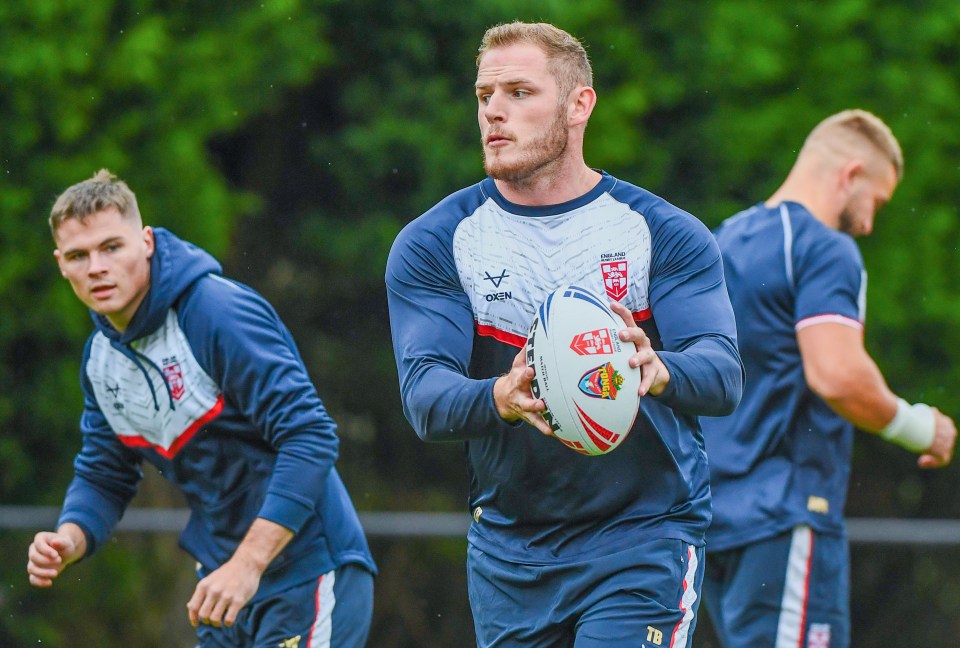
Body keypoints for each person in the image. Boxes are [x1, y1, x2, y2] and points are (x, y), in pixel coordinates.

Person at [385, 21, 743, 647]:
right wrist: (499, 395)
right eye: (483, 96)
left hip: (644, 537)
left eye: (520, 92)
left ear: (580, 105)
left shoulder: (661, 232)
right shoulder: (437, 243)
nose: (493, 111)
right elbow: (424, 396)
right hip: (509, 552)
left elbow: (721, 374)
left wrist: (660, 369)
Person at [26, 170, 377, 647]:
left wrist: (248, 564)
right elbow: (105, 472)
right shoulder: (100, 359)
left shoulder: (213, 312)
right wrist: (69, 537)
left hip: (308, 570)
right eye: (78, 256)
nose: (96, 268)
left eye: (112, 247)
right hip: (221, 584)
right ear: (60, 264)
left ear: (146, 242)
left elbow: (310, 436)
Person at [701, 109, 957, 648]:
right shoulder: (824, 246)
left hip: (714, 519)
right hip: (785, 515)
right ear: (851, 174)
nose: (867, 224)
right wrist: (918, 427)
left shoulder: (724, 240)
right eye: (876, 203)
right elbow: (837, 374)